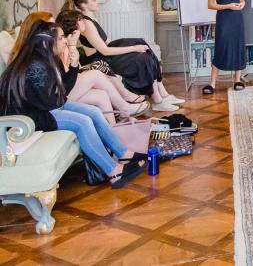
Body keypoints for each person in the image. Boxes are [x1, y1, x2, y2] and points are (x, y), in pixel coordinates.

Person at [0, 21, 147, 188]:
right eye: (61, 38)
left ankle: (124, 153)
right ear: (45, 41)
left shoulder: (44, 58)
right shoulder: (36, 65)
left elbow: (63, 92)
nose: (65, 41)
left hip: (43, 108)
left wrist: (74, 65)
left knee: (93, 112)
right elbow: (54, 101)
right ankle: (114, 171)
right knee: (81, 122)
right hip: (25, 119)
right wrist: (66, 68)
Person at [61, 0, 182, 112]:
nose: (98, 2)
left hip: (106, 56)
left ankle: (163, 95)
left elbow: (108, 42)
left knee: (144, 49)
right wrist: (134, 48)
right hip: (101, 59)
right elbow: (104, 50)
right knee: (142, 57)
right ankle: (158, 100)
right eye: (94, 0)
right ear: (84, 5)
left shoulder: (92, 20)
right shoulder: (86, 23)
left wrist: (133, 46)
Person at [56, 10, 150, 120]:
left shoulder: (67, 42)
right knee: (98, 70)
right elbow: (68, 73)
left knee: (102, 92)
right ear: (73, 24)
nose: (84, 21)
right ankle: (125, 104)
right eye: (80, 20)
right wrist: (71, 45)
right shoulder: (64, 46)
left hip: (67, 86)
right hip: (63, 92)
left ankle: (114, 128)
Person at [205, 0, 247, 94]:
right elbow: (210, 4)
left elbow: (242, 0)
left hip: (237, 19)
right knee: (221, 47)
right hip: (224, 19)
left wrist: (242, 4)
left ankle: (237, 80)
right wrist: (228, 6)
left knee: (238, 46)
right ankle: (212, 84)